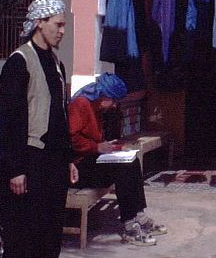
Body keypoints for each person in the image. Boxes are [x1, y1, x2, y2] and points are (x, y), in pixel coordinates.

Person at [0, 0, 79, 258]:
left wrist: (71, 159)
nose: (62, 30)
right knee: (21, 241)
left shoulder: (55, 63)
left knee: (48, 239)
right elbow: (10, 120)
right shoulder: (19, 62)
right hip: (28, 162)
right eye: (57, 24)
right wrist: (15, 169)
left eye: (63, 24)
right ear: (39, 23)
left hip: (54, 163)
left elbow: (60, 116)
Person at [68, 73, 167, 246]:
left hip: (91, 159)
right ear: (104, 95)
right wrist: (96, 147)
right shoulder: (81, 104)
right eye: (113, 101)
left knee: (132, 161)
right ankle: (129, 225)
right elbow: (71, 139)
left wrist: (106, 146)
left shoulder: (97, 106)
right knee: (122, 169)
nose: (114, 105)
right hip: (77, 167)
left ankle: (140, 216)